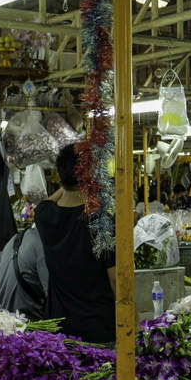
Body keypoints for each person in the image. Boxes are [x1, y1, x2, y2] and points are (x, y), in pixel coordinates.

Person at [36, 144, 116, 345]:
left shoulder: (44, 215)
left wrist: (68, 181)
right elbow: (117, 281)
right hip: (99, 330)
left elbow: (47, 201)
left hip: (60, 330)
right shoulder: (100, 222)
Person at [0, 227, 49, 319]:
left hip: (5, 320)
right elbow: (51, 296)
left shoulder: (14, 239)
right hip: (29, 324)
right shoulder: (42, 242)